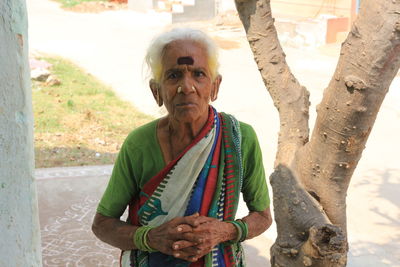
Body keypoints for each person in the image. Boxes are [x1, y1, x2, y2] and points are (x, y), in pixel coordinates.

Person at [92, 28, 272, 267]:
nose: (187, 87)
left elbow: (263, 216)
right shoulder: (139, 144)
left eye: (198, 74)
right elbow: (103, 224)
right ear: (157, 91)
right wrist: (151, 238)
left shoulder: (239, 139)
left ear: (214, 86)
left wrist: (224, 231)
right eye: (174, 76)